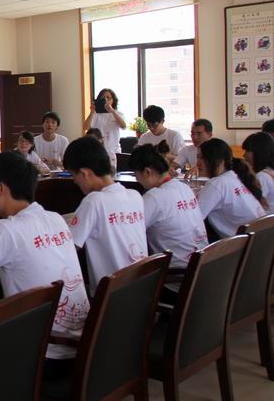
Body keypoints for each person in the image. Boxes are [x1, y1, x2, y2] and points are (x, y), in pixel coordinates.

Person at [0, 152, 89, 372]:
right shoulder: (55, 218)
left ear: (1, 189)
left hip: (41, 354)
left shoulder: (6, 229)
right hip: (79, 347)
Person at [63, 136, 147, 293]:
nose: (75, 182)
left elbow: (67, 248)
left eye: (74, 175)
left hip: (111, 297)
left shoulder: (94, 201)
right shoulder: (135, 196)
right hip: (141, 290)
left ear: (85, 173)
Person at [129, 144, 207, 269]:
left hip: (176, 272)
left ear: (147, 172)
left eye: (136, 174)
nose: (137, 180)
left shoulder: (153, 197)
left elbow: (130, 232)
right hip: (202, 264)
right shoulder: (184, 188)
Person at [196, 138, 265, 239]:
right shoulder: (231, 178)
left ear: (219, 160)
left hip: (243, 244)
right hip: (260, 239)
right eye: (197, 157)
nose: (198, 163)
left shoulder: (217, 184)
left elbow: (193, 218)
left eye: (202, 158)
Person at [83, 88, 126, 156]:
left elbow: (123, 126)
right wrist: (92, 112)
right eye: (103, 98)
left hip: (114, 151)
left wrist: (112, 111)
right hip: (98, 151)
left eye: (108, 98)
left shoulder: (118, 114)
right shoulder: (95, 114)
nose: (106, 100)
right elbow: (85, 127)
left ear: (113, 100)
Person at [242, 132, 274, 215]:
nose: (244, 155)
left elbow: (250, 206)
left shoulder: (262, 176)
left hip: (265, 222)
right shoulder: (270, 170)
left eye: (247, 151)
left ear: (259, 152)